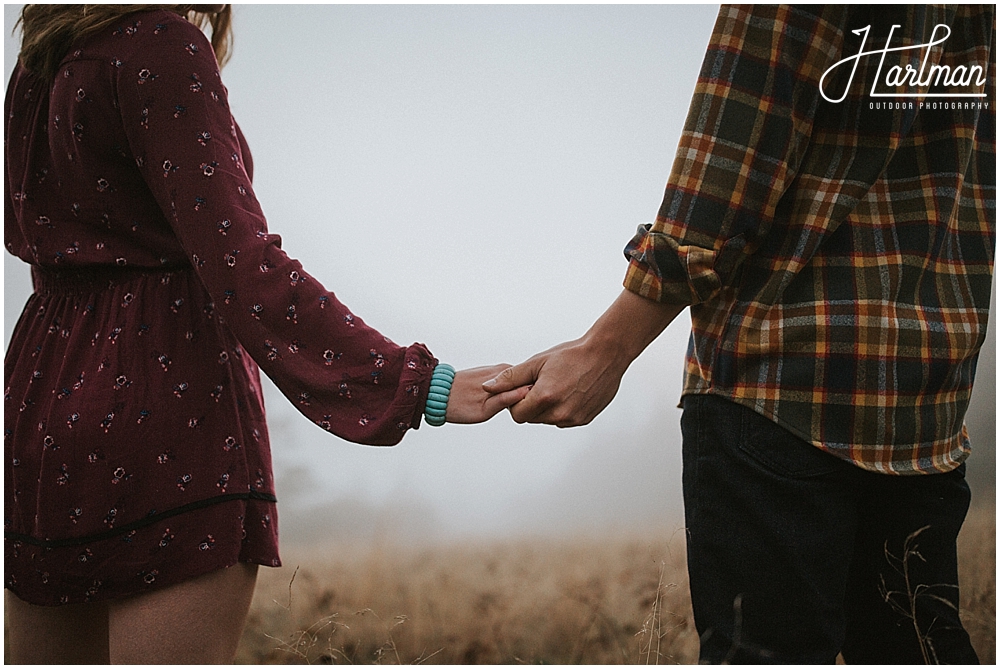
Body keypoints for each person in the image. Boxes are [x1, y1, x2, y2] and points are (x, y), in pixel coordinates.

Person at [3, 5, 528, 664]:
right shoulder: (161, 47)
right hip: (163, 416)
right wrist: (417, 384)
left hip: (37, 411)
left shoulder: (38, 60)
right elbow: (243, 264)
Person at [486, 5, 994, 663]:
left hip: (779, 388)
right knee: (916, 649)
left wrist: (607, 348)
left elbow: (726, 169)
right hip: (926, 395)